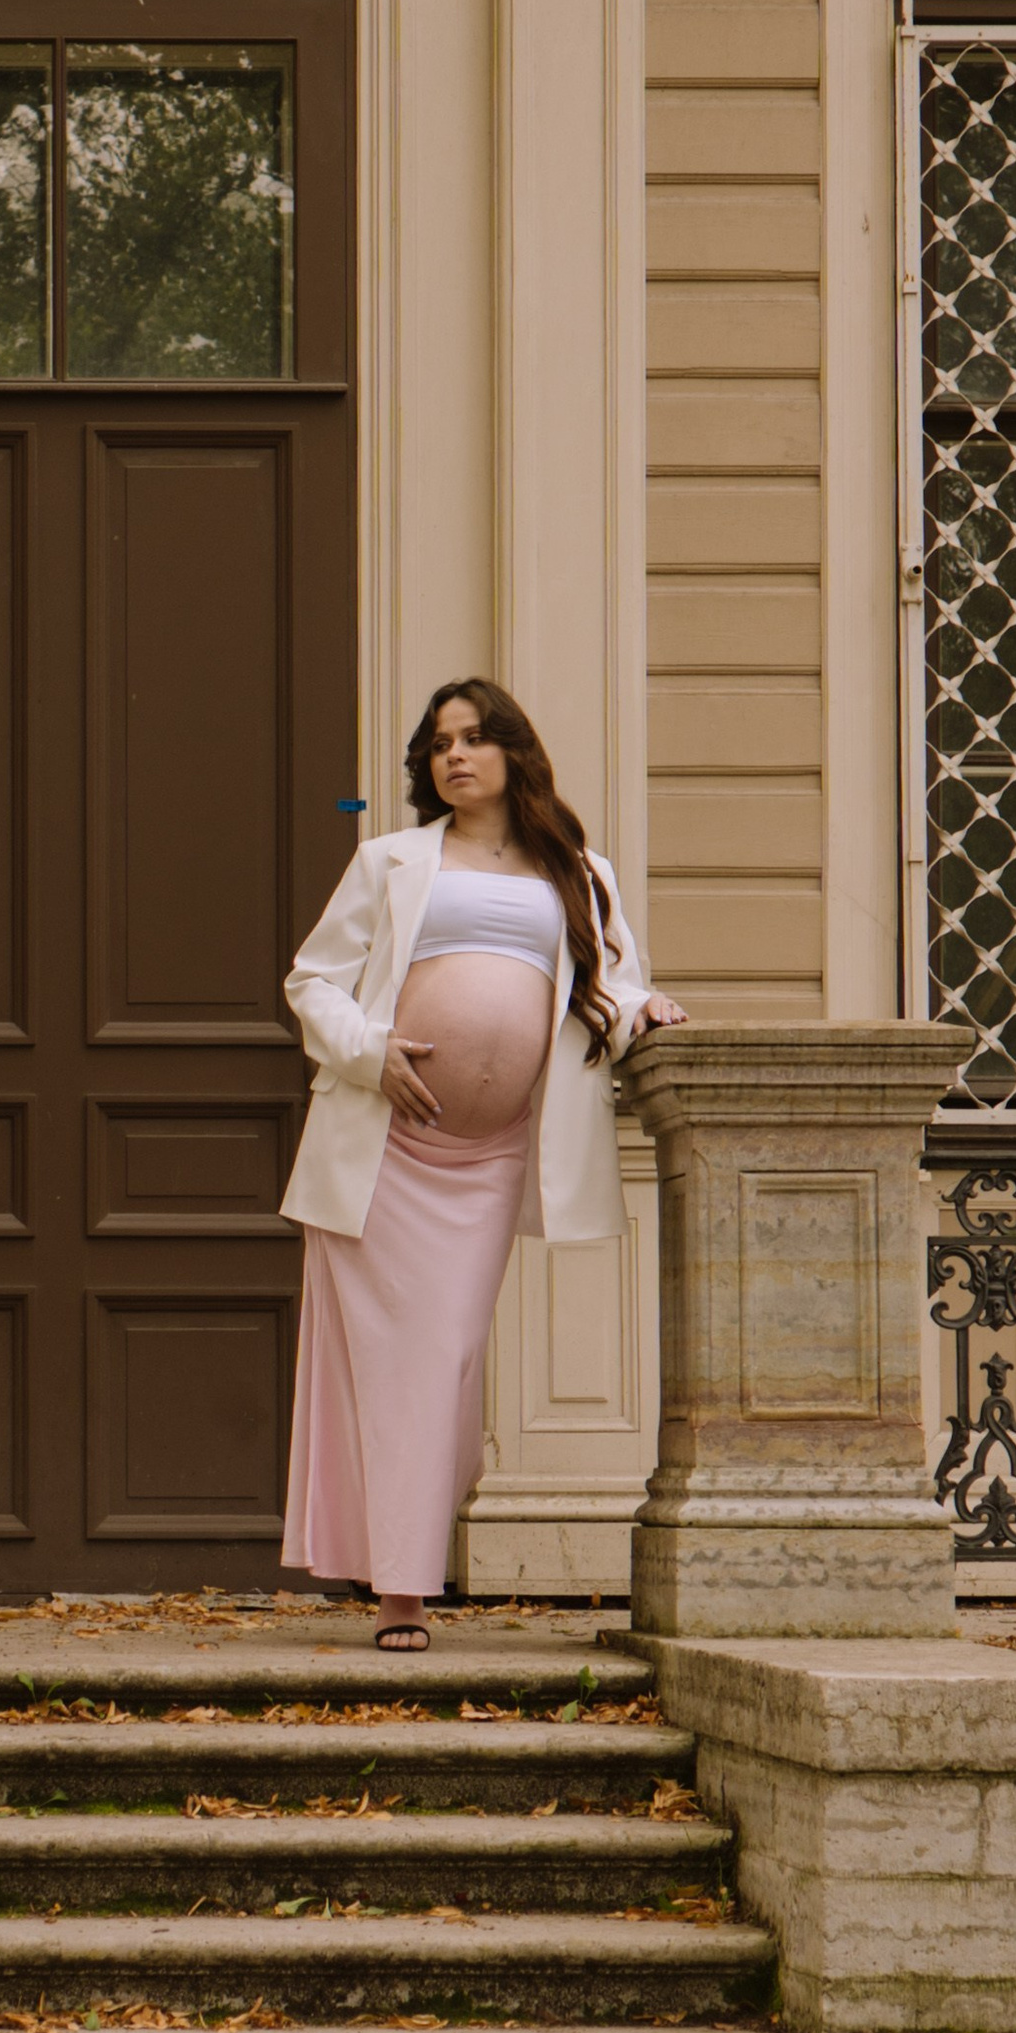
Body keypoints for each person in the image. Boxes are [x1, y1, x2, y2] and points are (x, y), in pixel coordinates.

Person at [278, 677, 686, 1652]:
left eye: (473, 739)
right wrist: (371, 1053)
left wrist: (647, 1012)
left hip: (490, 1156)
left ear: (512, 752)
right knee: (398, 1365)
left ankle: (405, 1550)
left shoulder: (579, 873)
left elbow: (610, 989)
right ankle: (402, 1595)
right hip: (387, 1151)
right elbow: (312, 981)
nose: (453, 757)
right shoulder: (388, 862)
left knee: (446, 1359)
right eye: (438, 745)